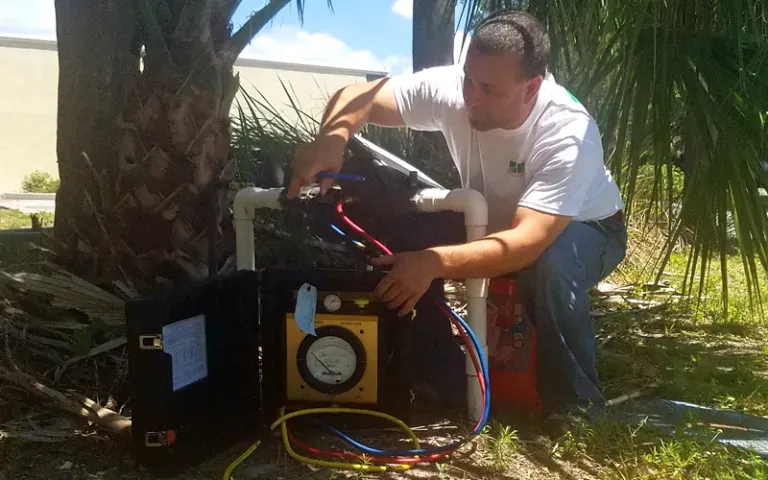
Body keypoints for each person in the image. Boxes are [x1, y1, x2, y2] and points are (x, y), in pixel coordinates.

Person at [286, 10, 627, 434]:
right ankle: (440, 380)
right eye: (468, 79)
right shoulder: (457, 88)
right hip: (488, 218)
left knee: (551, 267)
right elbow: (360, 95)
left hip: (587, 228)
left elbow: (527, 242)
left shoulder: (567, 133)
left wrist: (434, 262)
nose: (471, 98)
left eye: (488, 89)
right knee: (404, 237)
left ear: (533, 88)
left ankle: (576, 409)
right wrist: (331, 140)